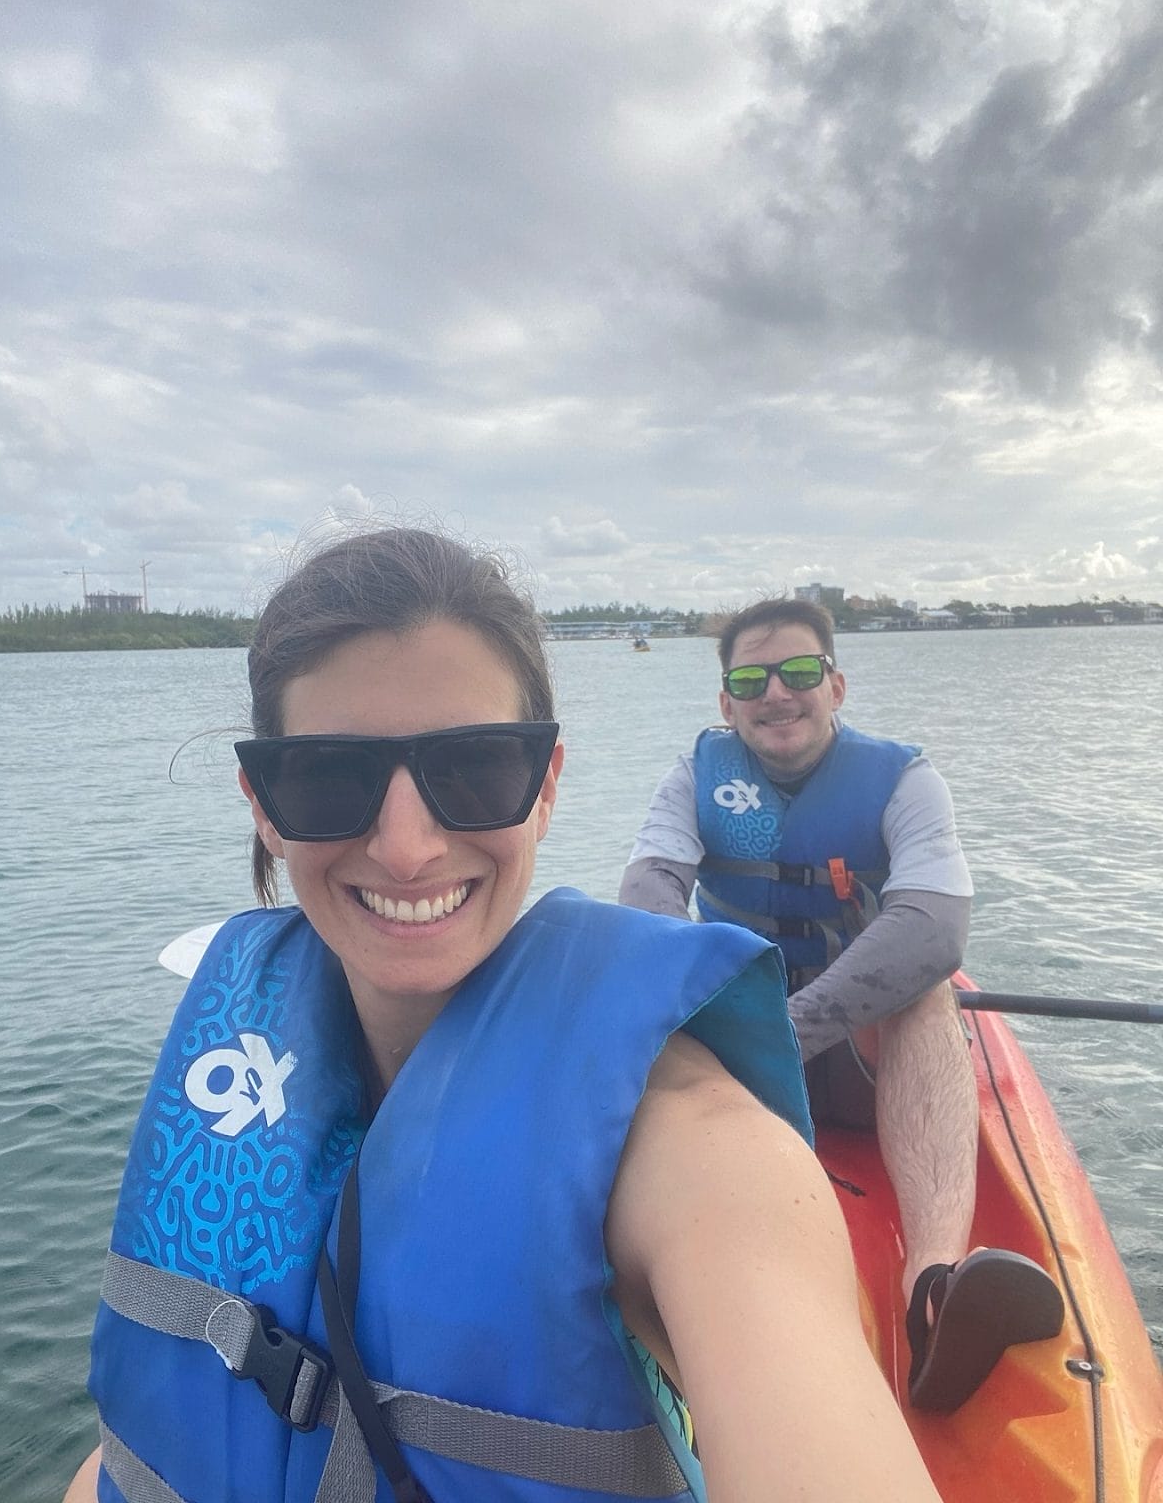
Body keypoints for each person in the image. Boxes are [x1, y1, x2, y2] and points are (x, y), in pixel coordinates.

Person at [65, 531, 945, 1503]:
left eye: (476, 767)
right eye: (327, 778)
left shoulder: (695, 1153)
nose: (406, 848)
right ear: (264, 805)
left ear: (546, 785)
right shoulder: (239, 1056)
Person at [619, 598, 1064, 1413]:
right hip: (736, 1061)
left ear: (836, 685)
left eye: (798, 671)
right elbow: (650, 892)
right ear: (726, 703)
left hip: (852, 1051)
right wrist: (709, 1020)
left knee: (925, 993)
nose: (775, 693)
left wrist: (787, 1032)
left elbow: (933, 928)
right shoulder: (692, 778)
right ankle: (665, 1301)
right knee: (642, 1003)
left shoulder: (905, 780)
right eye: (750, 680)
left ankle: (934, 1287)